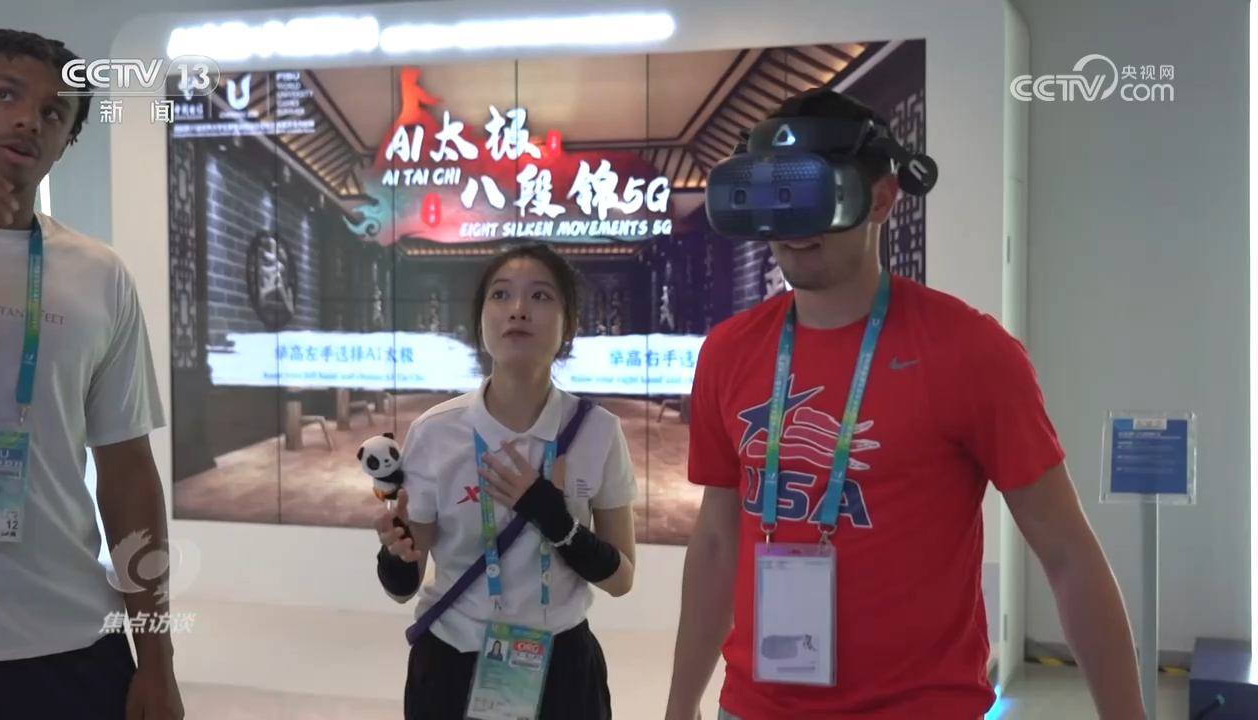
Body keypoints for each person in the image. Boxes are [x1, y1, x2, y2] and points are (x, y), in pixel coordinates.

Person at [664, 88, 1144, 720]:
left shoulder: (969, 351)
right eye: (777, 198)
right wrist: (680, 705)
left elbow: (1068, 554)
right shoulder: (729, 351)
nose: (794, 228)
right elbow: (717, 542)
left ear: (882, 199)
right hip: (755, 707)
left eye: (817, 196)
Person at [0, 29, 183, 720]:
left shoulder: (98, 274)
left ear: (66, 141)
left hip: (68, 640)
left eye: (54, 111)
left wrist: (156, 658)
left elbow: (127, 474)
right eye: (6, 94)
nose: (28, 120)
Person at [372, 241, 639, 719]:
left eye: (540, 296)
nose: (518, 309)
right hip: (452, 664)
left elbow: (621, 580)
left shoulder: (598, 432)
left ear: (569, 326)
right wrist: (396, 557)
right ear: (481, 323)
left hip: (563, 670)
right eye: (500, 295)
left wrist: (558, 522)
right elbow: (402, 588)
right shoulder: (436, 432)